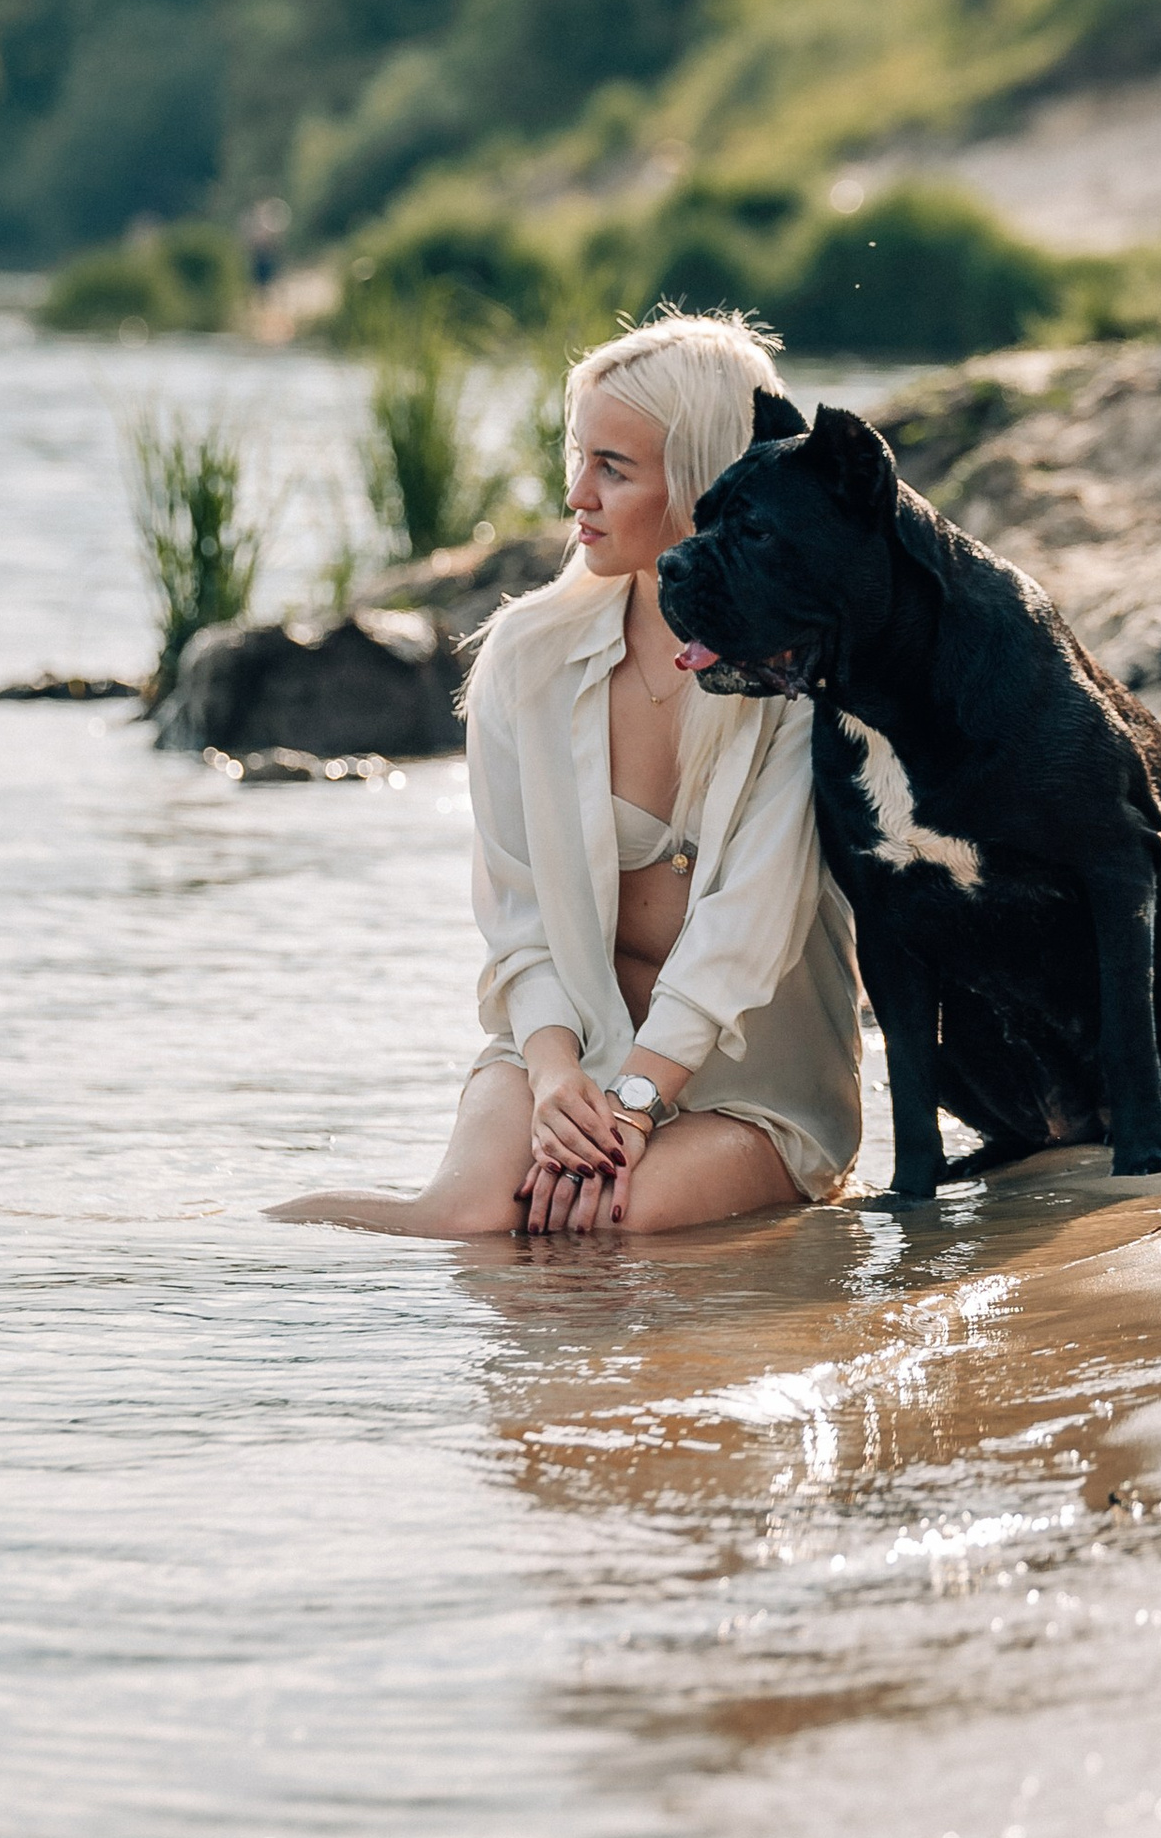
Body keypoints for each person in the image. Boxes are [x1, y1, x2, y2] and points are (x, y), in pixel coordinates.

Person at [267, 312, 862, 1240]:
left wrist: (636, 1105)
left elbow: (751, 922)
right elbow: (519, 919)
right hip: (568, 1048)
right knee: (463, 1219)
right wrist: (553, 1078)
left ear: (702, 482)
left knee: (616, 1223)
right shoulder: (527, 655)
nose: (577, 494)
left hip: (750, 1082)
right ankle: (225, 1253)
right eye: (578, 457)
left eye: (613, 468)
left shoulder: (795, 671)